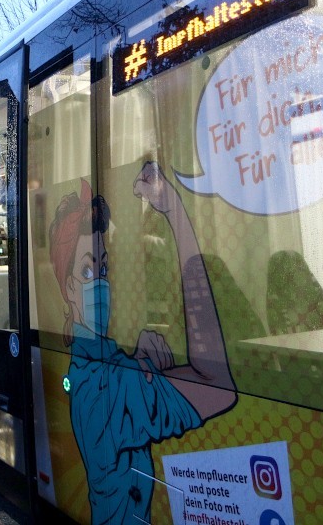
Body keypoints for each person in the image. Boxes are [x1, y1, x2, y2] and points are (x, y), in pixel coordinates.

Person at [49, 162, 237, 524]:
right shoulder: (102, 388)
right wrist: (176, 215)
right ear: (69, 289)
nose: (102, 283)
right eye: (87, 272)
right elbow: (218, 384)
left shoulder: (96, 367)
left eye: (104, 269)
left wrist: (138, 361)